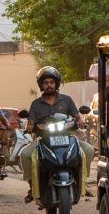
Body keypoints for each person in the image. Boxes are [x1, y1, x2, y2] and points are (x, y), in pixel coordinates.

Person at [20, 66, 93, 203]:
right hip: (44, 139)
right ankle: (32, 186)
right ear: (41, 85)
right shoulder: (36, 104)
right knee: (24, 154)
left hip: (68, 137)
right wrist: (30, 127)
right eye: (46, 83)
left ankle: (82, 182)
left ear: (56, 84)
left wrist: (80, 121)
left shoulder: (66, 100)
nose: (49, 85)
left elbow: (77, 116)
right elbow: (30, 122)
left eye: (51, 82)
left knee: (88, 150)